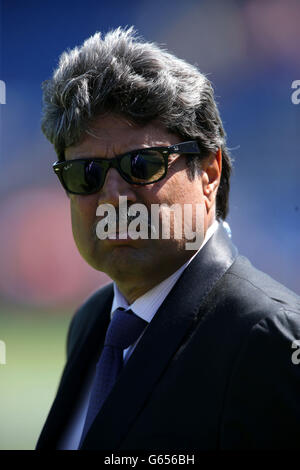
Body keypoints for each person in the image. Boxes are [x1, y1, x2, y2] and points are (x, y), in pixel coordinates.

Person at [36, 27, 300, 450]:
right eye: (86, 174)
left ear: (209, 172)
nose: (113, 197)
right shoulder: (94, 321)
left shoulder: (270, 339)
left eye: (142, 165)